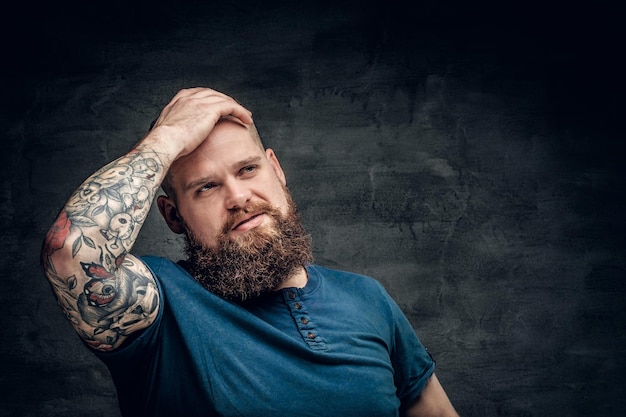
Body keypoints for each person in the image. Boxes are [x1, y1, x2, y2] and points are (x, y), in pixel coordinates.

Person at [41, 87, 459, 417]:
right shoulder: (159, 311)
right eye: (206, 187)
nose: (238, 196)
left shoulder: (368, 298)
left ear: (276, 169)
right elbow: (70, 252)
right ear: (172, 215)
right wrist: (168, 138)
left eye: (248, 169)